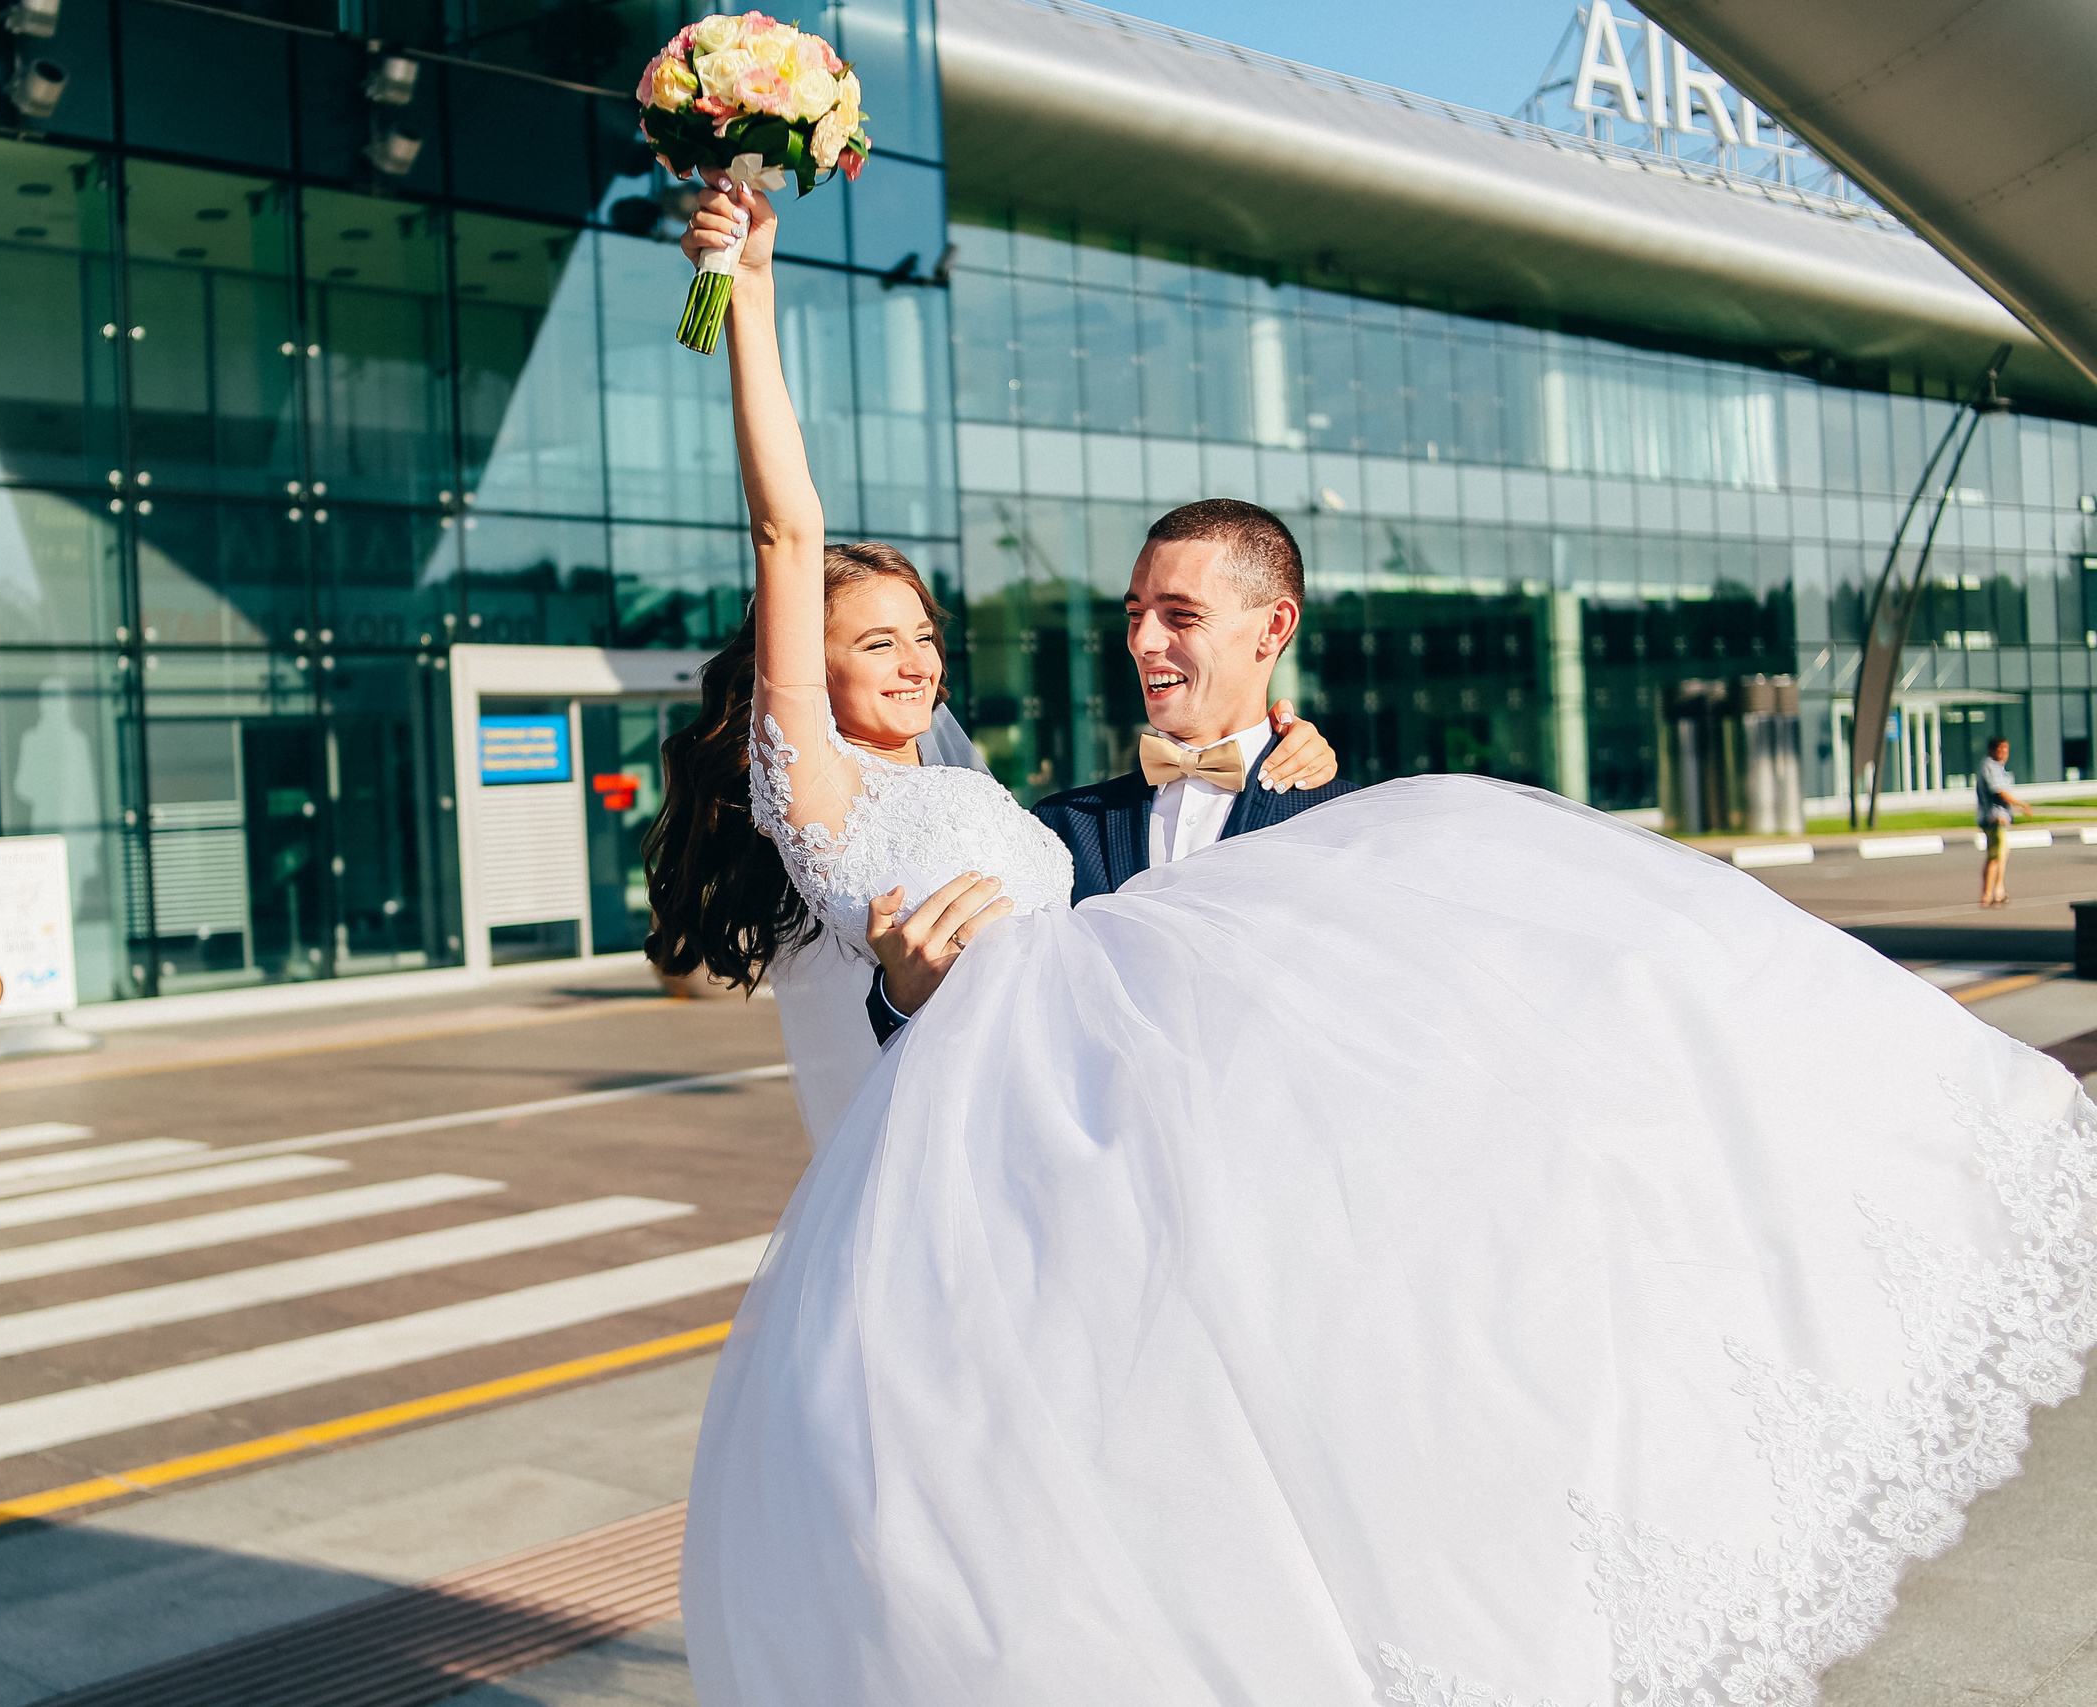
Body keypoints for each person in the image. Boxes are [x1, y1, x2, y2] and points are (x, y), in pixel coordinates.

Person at [649, 182, 2097, 1706]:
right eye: (876, 639)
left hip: (1335, 1287)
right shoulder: (1029, 818)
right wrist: (748, 288)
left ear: (1271, 630)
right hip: (1091, 1275)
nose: (926, 655)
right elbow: (796, 561)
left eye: (924, 631)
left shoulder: (1313, 807)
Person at [863, 498, 1357, 1044]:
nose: (1142, 641)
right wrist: (902, 999)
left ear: (1274, 626)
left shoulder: (1348, 826)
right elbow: (991, 1028)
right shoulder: (1055, 828)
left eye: (1181, 614)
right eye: (1134, 613)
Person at [1978, 735, 2031, 907]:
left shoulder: (1998, 767)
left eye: (2006, 750)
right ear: (1991, 750)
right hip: (1994, 817)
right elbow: (2000, 792)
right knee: (1996, 855)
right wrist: (2021, 804)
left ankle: (1998, 890)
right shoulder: (1990, 766)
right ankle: (1988, 893)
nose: (2003, 753)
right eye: (2000, 750)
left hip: (1999, 818)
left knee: (2000, 854)